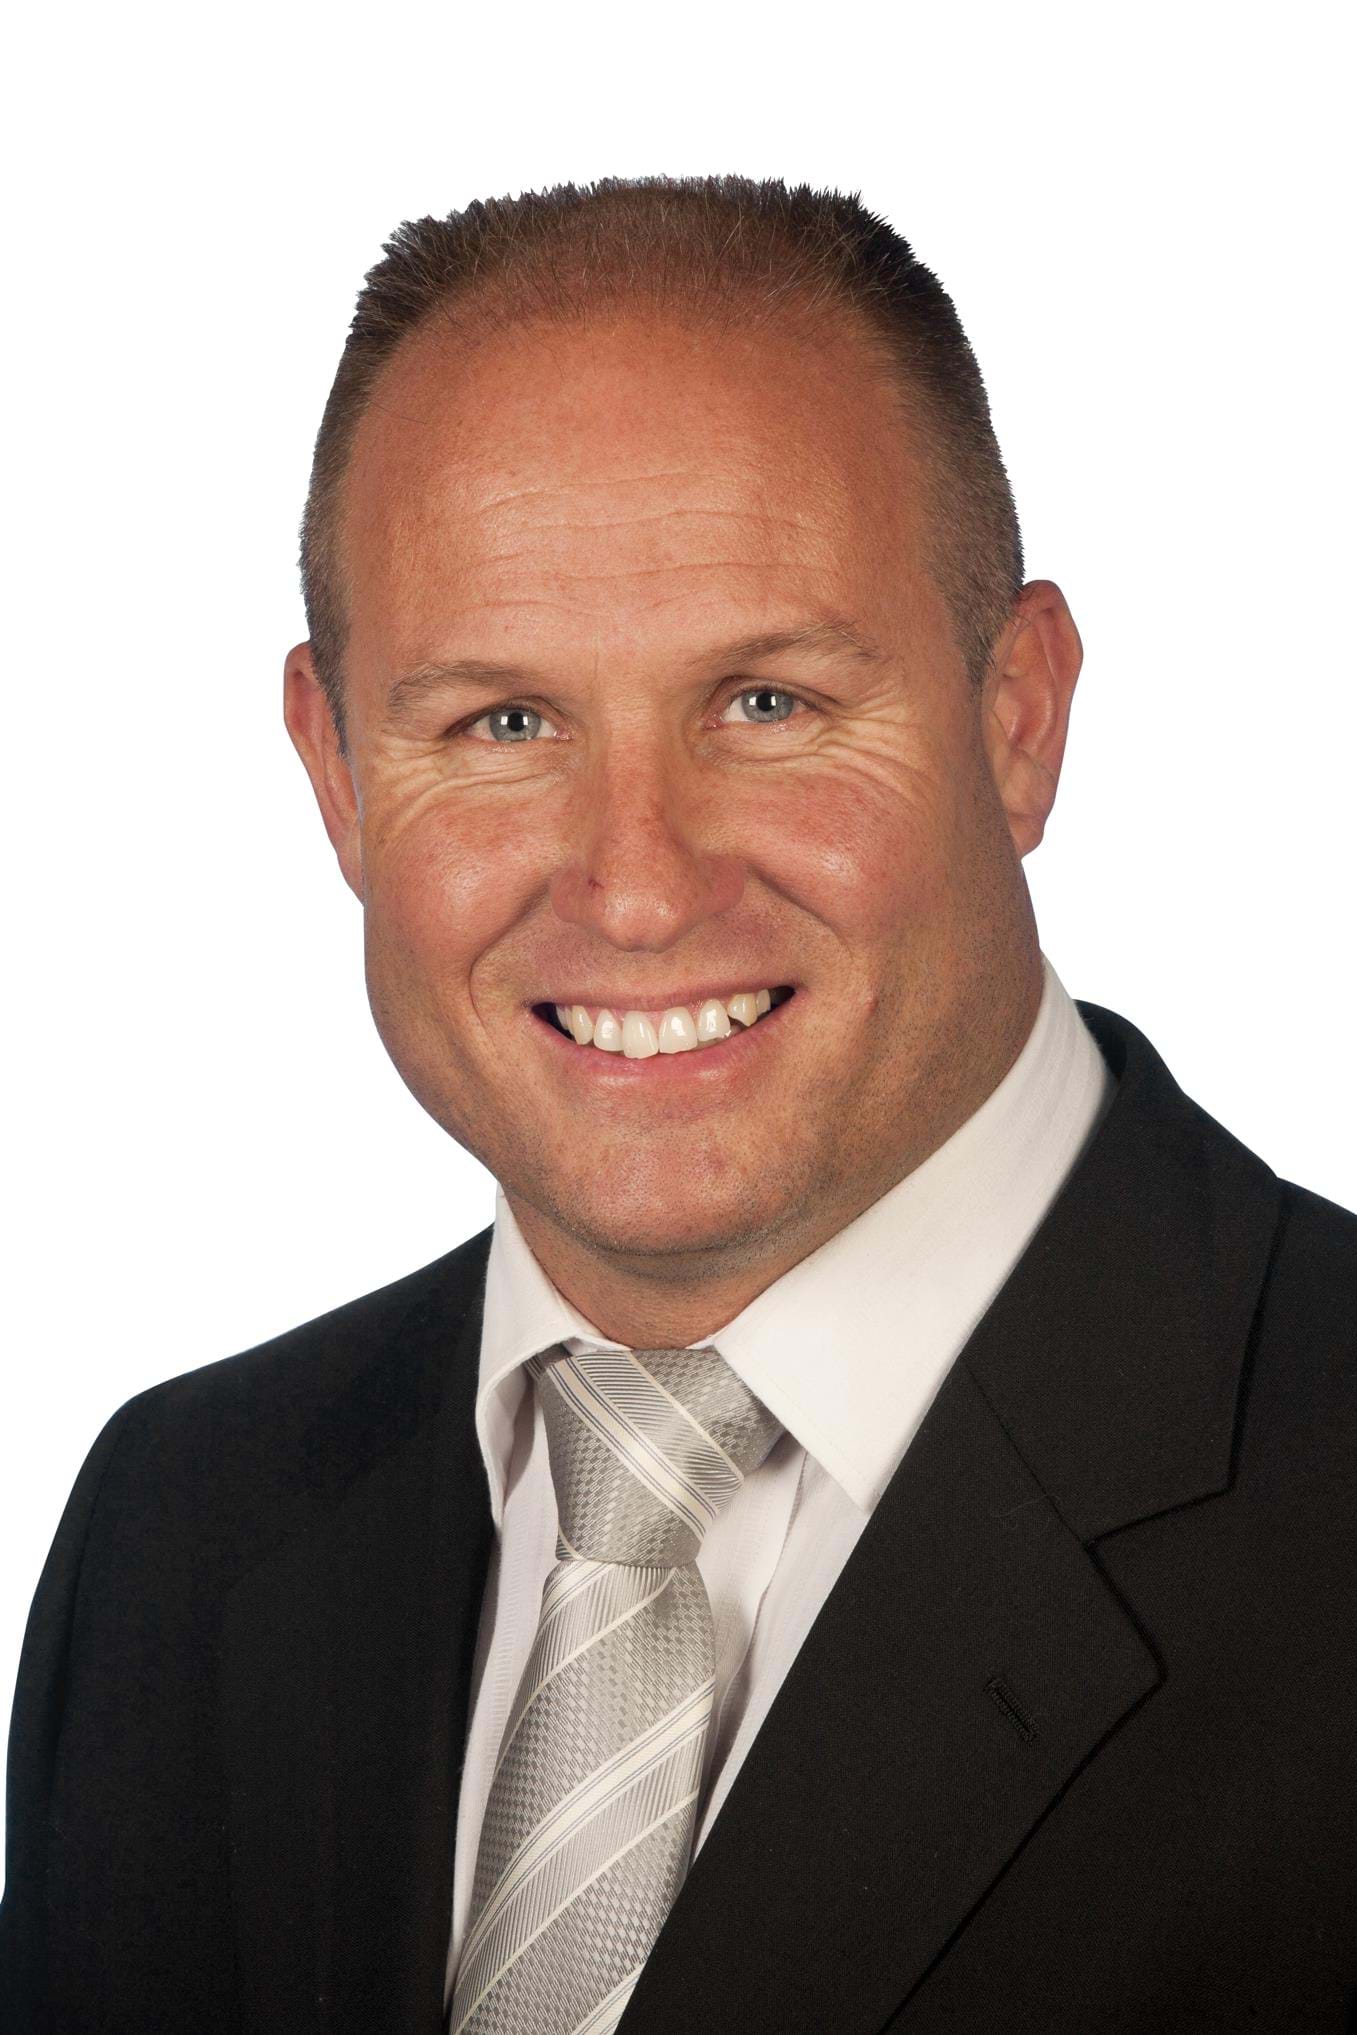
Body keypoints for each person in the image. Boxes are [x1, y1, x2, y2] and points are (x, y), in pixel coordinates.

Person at [2, 174, 1353, 2035]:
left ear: (1017, 717)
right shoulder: (181, 1528)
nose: (636, 888)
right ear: (336, 773)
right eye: (501, 724)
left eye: (767, 703)